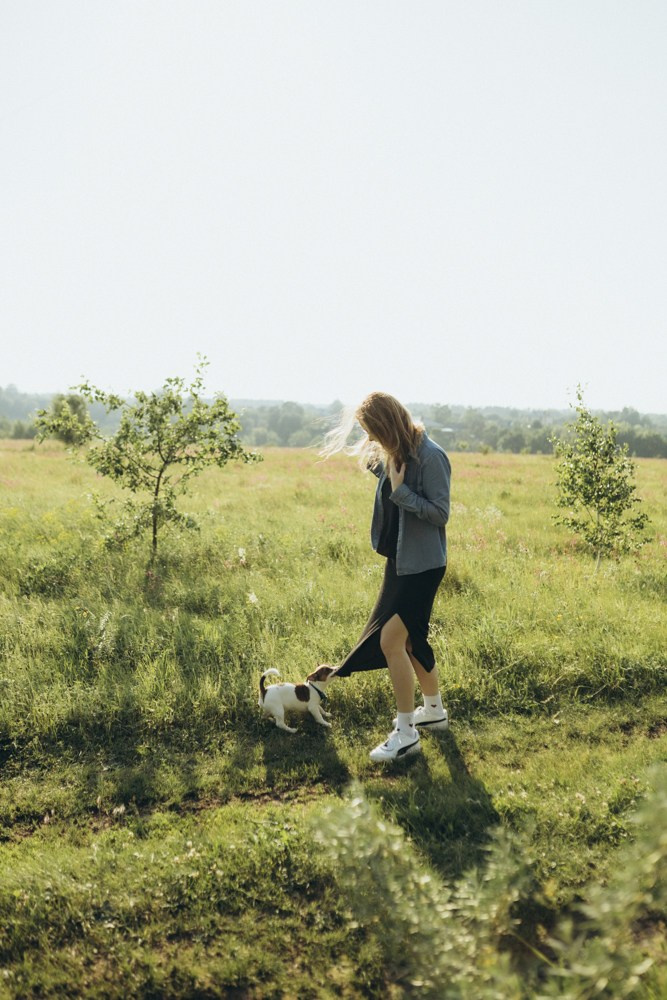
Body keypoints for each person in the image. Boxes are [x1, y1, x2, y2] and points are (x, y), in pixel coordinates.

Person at [322, 392, 451, 762]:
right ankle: (434, 711)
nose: (371, 439)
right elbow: (379, 469)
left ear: (388, 425)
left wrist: (401, 491)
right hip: (400, 562)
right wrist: (381, 464)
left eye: (374, 432)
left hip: (422, 566)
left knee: (391, 642)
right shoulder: (396, 451)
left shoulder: (431, 457)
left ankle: (406, 733)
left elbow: (440, 513)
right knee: (410, 642)